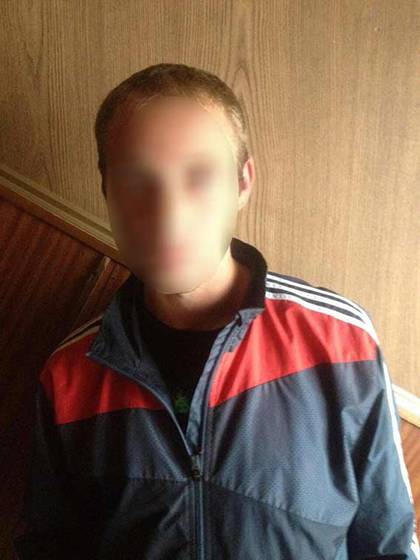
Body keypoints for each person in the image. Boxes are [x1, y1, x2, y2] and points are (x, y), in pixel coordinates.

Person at [14, 63, 419, 559]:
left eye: (199, 176)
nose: (169, 215)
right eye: (136, 180)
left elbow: (390, 543)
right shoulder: (69, 375)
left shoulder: (339, 341)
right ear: (106, 191)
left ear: (243, 182)